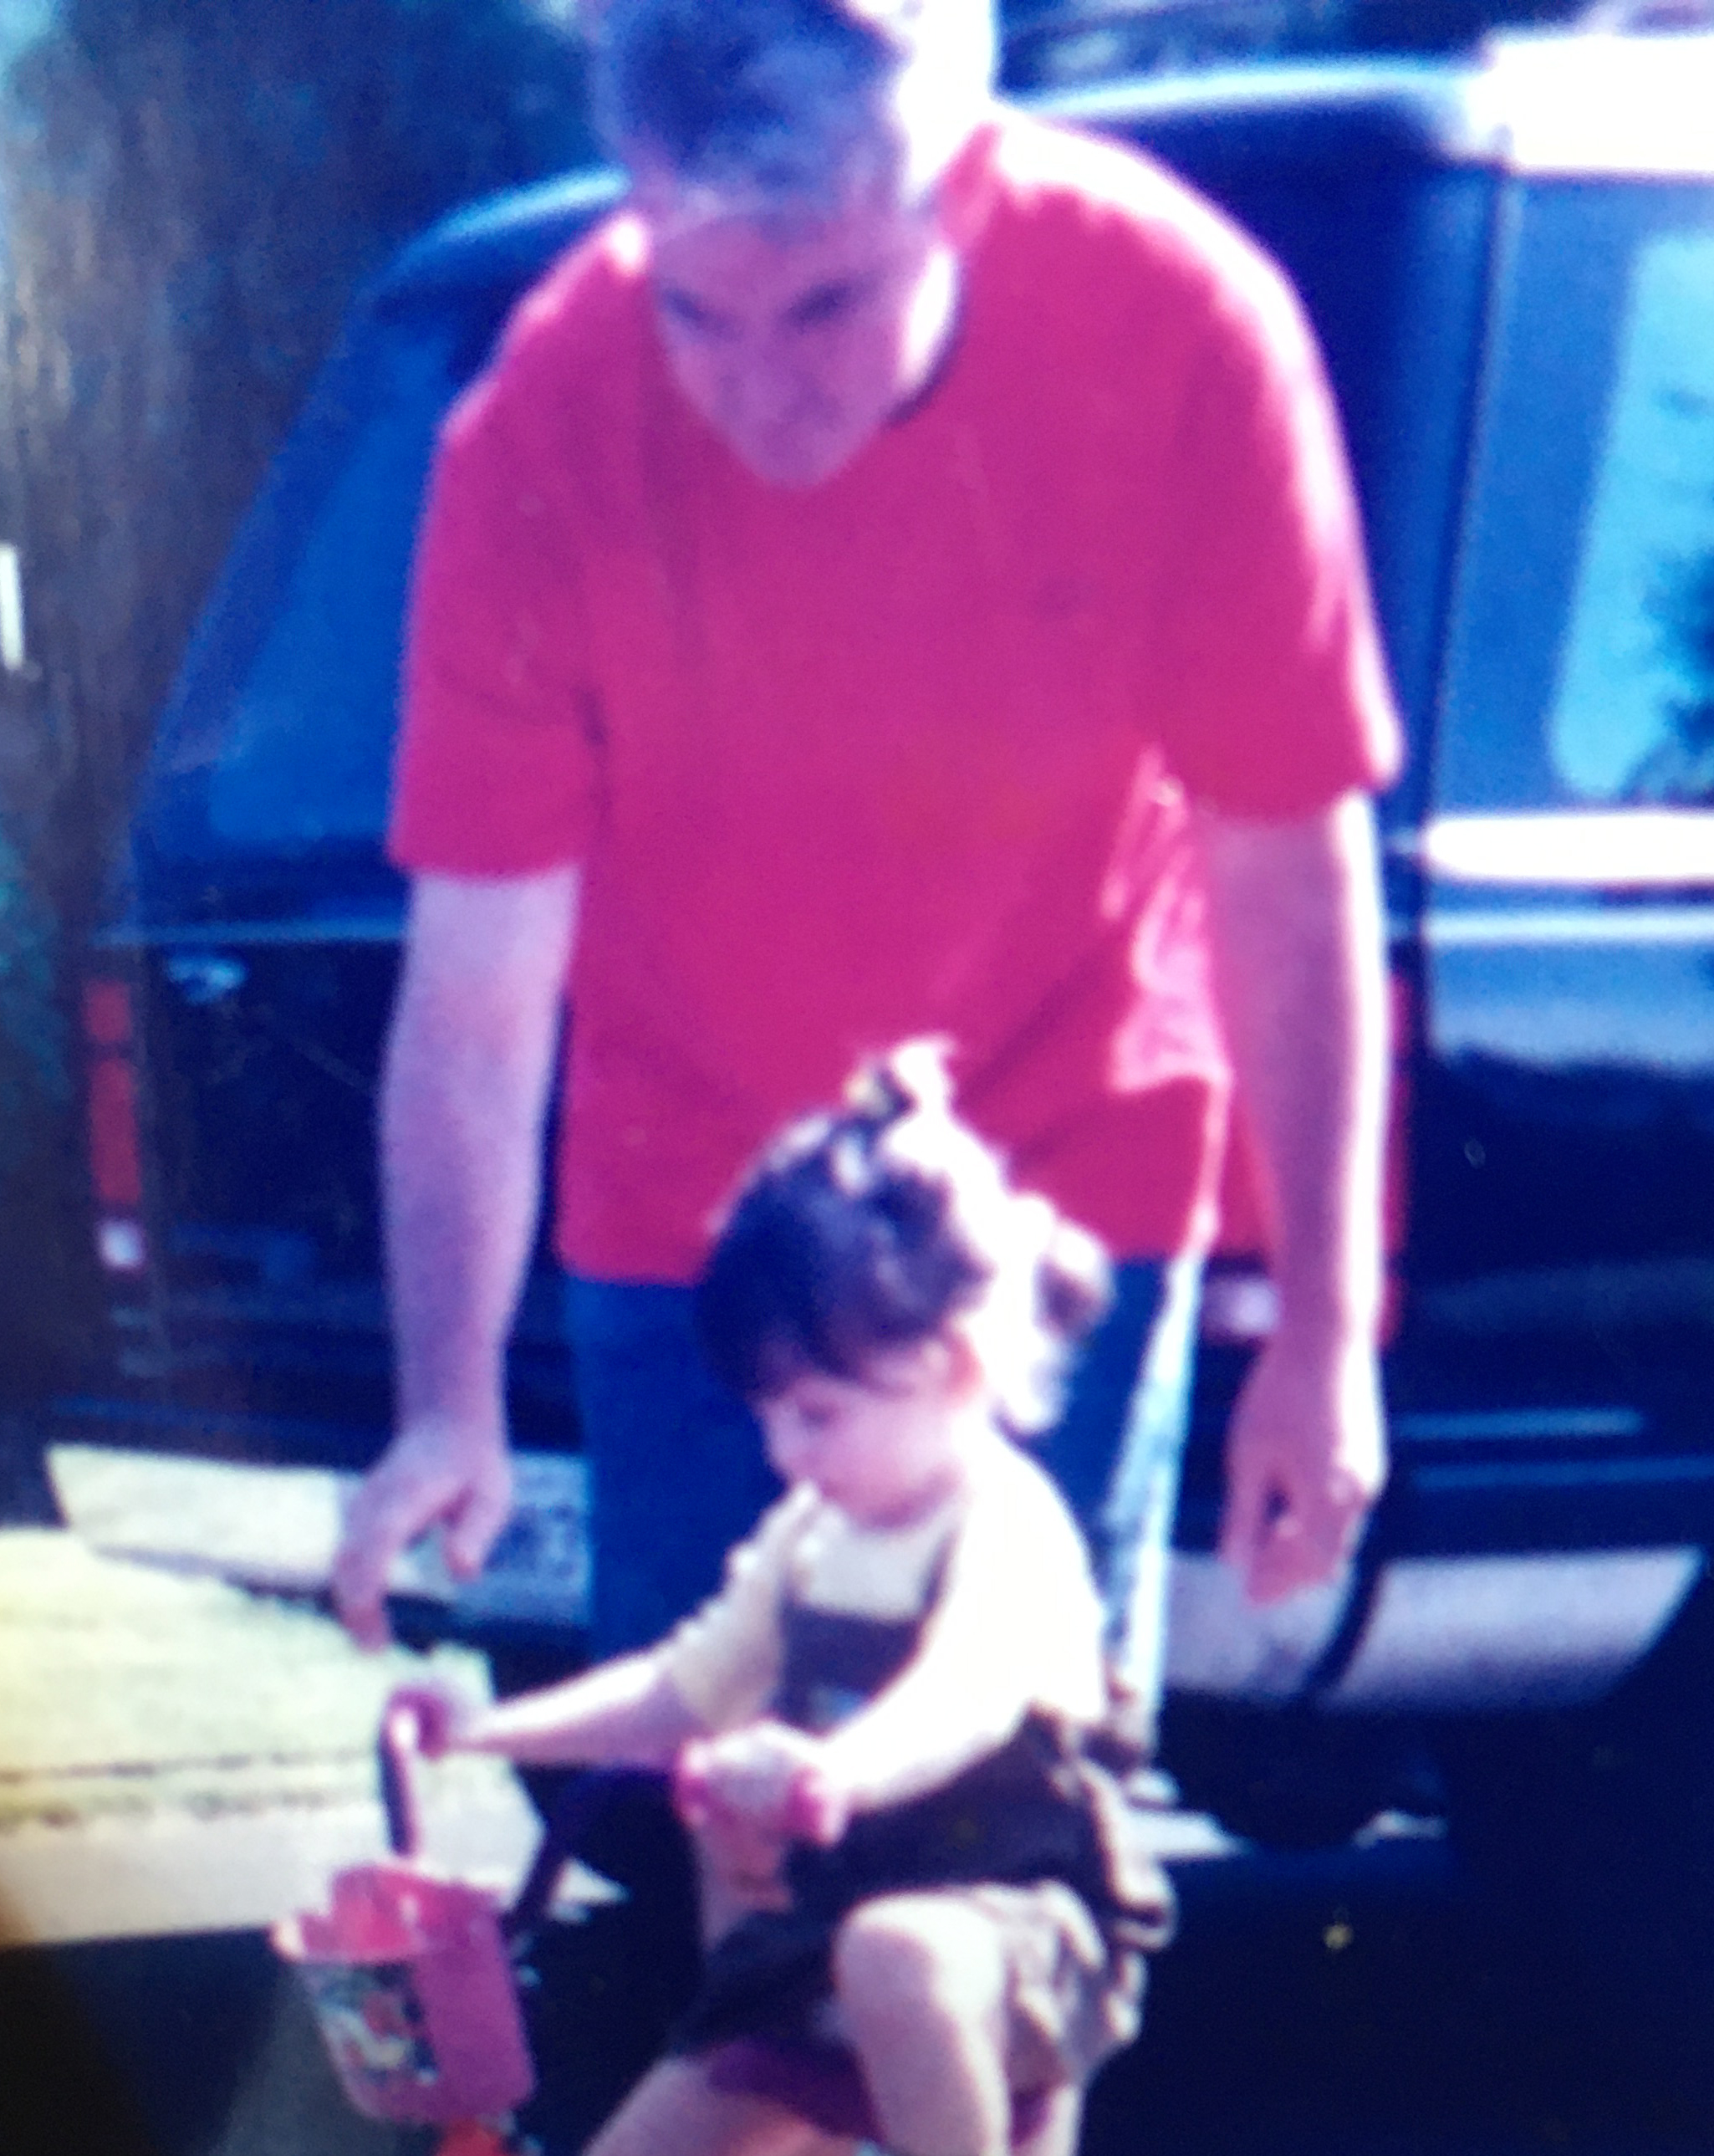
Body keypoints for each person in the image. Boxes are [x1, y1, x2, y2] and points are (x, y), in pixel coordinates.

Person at [331, 0, 1401, 1719]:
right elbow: (475, 1000)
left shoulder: (1185, 329)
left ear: (962, 190)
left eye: (829, 303)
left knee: (1010, 1793)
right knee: (729, 1794)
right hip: (695, 1204)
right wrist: (445, 1400)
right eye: (701, 313)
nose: (764, 388)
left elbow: (1286, 870)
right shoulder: (535, 426)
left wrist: (1325, 1331)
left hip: (1057, 1174)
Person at [414, 1047, 1172, 2156]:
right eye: (771, 1415)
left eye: (818, 1411)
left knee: (902, 1950)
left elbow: (962, 1692)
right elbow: (678, 1684)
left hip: (1011, 1929)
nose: (785, 1449)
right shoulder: (818, 1532)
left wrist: (833, 1766)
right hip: (829, 1942)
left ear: (953, 1370)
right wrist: (482, 1734)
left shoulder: (1003, 1528)